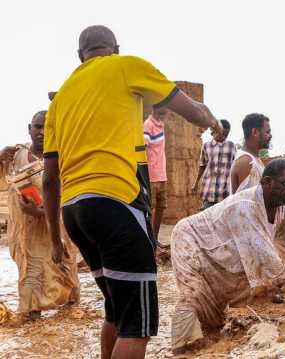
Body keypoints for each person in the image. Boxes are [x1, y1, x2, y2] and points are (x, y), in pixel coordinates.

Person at [43, 25, 221, 359]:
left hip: (74, 212)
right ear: (116, 48)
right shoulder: (126, 67)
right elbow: (193, 112)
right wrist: (212, 120)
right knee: (136, 325)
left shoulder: (61, 98)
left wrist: (56, 241)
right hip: (115, 204)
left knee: (116, 309)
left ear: (80, 56)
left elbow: (50, 179)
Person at [170, 159, 285, 353]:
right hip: (191, 238)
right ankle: (180, 350)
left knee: (216, 309)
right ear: (266, 182)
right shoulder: (246, 206)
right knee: (193, 295)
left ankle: (208, 347)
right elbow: (267, 258)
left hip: (221, 251)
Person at [0, 111, 80, 320]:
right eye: (38, 127)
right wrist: (0, 158)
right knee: (31, 273)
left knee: (64, 271)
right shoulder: (14, 155)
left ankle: (69, 321)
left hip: (57, 228)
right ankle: (32, 318)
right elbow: (4, 182)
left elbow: (71, 194)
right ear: (29, 129)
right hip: (27, 231)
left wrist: (40, 212)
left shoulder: (64, 157)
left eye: (48, 128)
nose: (42, 132)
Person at [192, 120, 236, 211]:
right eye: (222, 134)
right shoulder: (206, 146)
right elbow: (202, 165)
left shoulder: (231, 146)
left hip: (225, 192)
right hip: (209, 190)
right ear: (215, 131)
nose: (224, 137)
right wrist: (196, 183)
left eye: (226, 135)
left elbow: (235, 165)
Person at [143, 107, 169, 241]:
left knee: (160, 207)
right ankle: (148, 240)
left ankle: (155, 239)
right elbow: (142, 148)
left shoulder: (161, 125)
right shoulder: (148, 125)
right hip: (152, 176)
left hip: (161, 175)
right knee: (149, 209)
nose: (168, 109)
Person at [229, 113, 271, 193]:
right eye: (267, 132)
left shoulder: (254, 159)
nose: (270, 136)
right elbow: (249, 203)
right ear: (255, 132)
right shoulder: (246, 161)